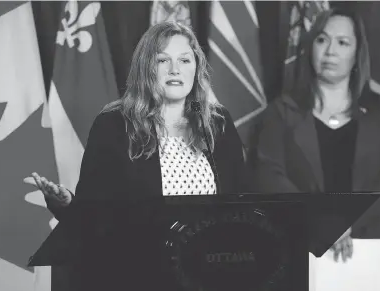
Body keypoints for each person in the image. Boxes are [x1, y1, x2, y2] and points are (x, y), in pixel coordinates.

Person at [27, 21, 248, 291]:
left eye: (184, 60)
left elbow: (242, 203)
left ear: (197, 68)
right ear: (147, 68)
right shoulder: (115, 125)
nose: (175, 69)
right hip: (137, 274)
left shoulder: (218, 123)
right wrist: (65, 205)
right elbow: (94, 213)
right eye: (162, 60)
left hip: (209, 272)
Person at [252, 8, 380, 291]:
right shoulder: (281, 112)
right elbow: (269, 175)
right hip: (300, 247)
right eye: (322, 40)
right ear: (311, 46)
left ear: (357, 53)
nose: (330, 51)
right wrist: (320, 223)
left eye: (342, 42)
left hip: (369, 248)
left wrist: (346, 225)